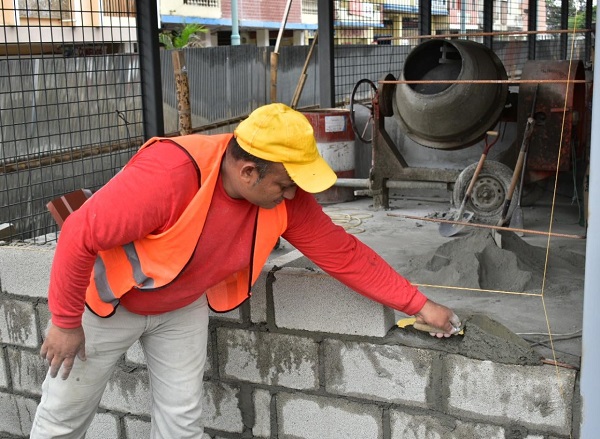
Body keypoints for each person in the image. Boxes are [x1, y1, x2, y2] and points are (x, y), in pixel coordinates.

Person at [31, 103, 461, 438]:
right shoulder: (171, 174)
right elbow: (78, 234)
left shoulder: (282, 195)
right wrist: (66, 323)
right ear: (248, 171)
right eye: (285, 184)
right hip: (108, 306)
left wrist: (419, 304)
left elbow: (342, 253)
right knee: (65, 415)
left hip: (180, 306)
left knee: (182, 420)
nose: (293, 195)